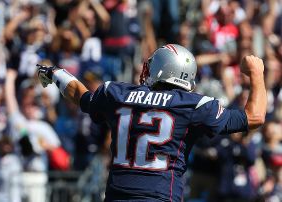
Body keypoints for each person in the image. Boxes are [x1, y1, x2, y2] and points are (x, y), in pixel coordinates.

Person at [36, 44, 267, 201]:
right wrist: (256, 73)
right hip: (160, 195)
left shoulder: (117, 94)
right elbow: (254, 117)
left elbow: (81, 96)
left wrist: (57, 73)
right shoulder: (195, 105)